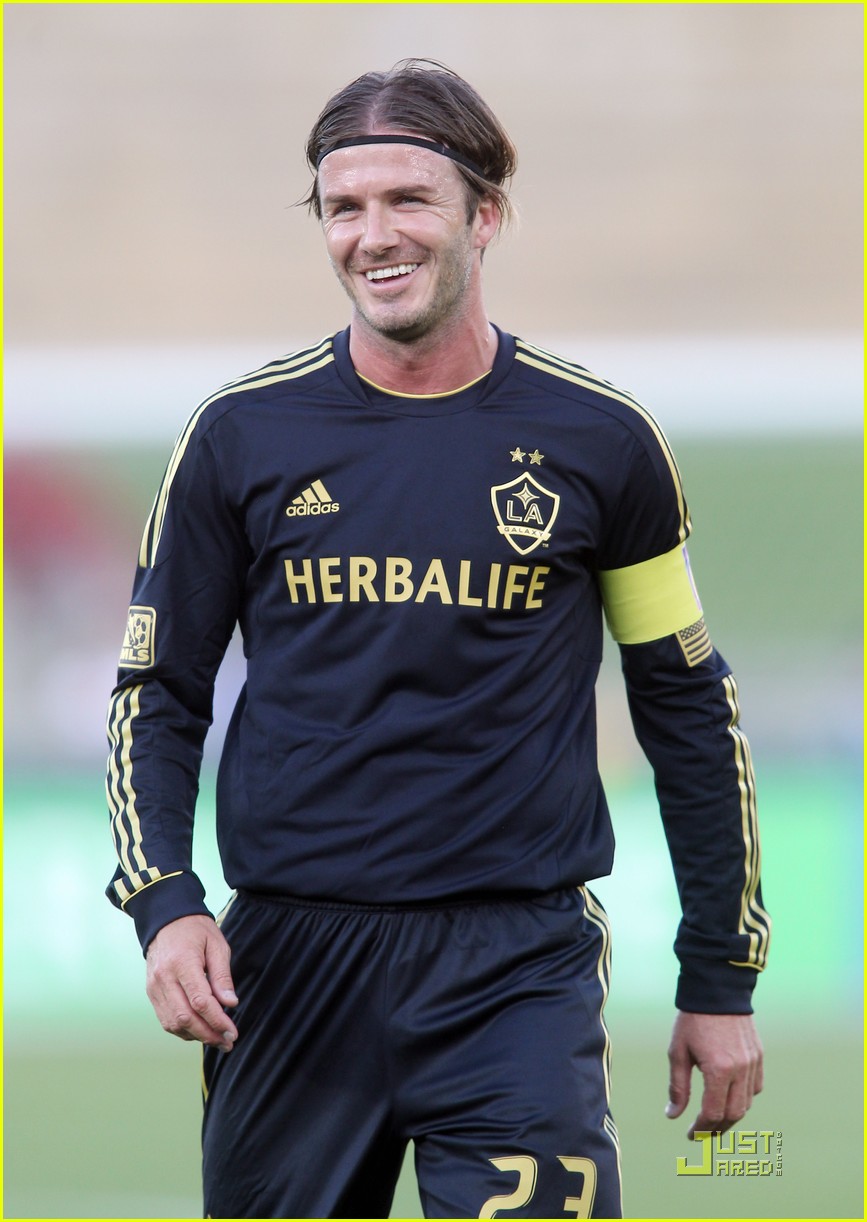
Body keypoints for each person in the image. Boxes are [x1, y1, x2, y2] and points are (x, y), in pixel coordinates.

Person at [106, 59, 770, 1219]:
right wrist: (165, 900)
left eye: (408, 199)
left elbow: (687, 706)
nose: (374, 234)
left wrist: (721, 970)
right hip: (289, 969)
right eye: (344, 207)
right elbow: (157, 692)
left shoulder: (602, 440)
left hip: (517, 967)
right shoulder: (237, 436)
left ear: (486, 214)